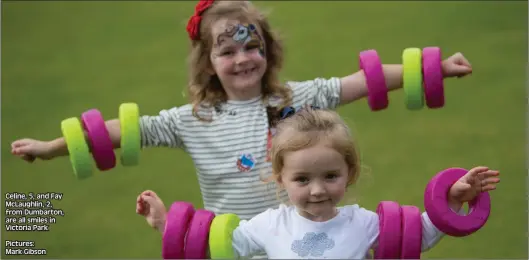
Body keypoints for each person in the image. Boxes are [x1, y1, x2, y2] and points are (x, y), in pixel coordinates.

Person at [11, 0, 473, 221]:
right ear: (208, 63)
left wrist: (438, 69)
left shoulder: (294, 98)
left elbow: (359, 82)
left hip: (304, 233)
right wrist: (52, 148)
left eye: (252, 47)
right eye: (227, 52)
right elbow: (119, 131)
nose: (243, 59)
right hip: (232, 241)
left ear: (268, 51)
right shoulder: (191, 119)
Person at [137, 108, 500, 259]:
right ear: (280, 178)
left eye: (330, 176)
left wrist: (452, 199)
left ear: (350, 173)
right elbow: (217, 245)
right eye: (302, 179)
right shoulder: (268, 224)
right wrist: (165, 224)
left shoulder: (364, 223)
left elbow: (417, 235)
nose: (317, 190)